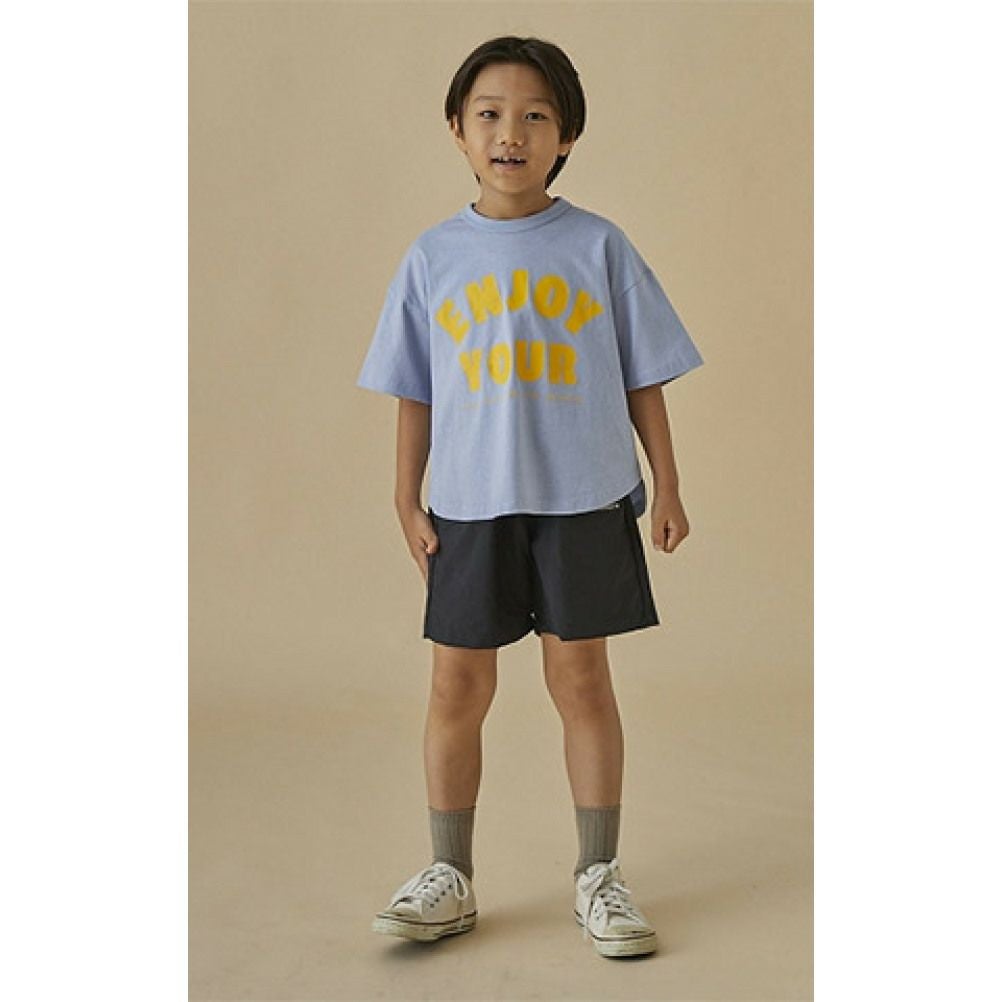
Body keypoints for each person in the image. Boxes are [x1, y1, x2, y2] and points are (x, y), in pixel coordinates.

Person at [356, 35, 703, 959]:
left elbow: (643, 373)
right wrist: (406, 496)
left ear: (567, 136)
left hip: (583, 498)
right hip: (470, 504)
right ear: (458, 129)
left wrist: (668, 481)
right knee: (456, 684)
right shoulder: (434, 257)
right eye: (491, 114)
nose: (511, 133)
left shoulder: (598, 245)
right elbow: (415, 388)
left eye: (536, 116)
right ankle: (449, 874)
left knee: (581, 679)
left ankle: (599, 872)